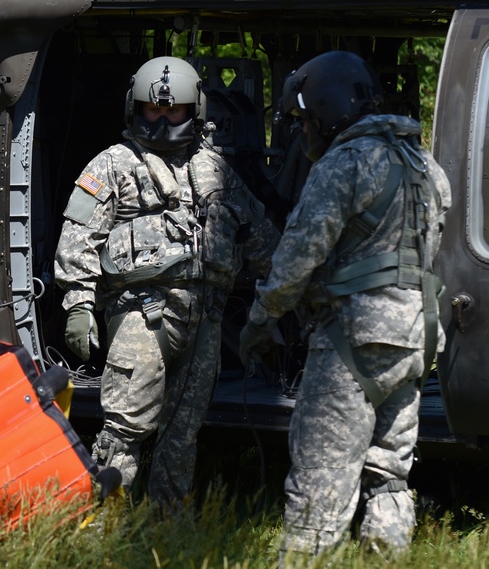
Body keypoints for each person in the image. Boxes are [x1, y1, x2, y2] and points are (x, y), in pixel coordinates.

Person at [239, 50, 451, 561]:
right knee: (390, 475)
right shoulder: (426, 167)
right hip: (415, 342)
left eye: (306, 121)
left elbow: (297, 257)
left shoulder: (345, 164)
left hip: (352, 343)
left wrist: (261, 319)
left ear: (328, 112)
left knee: (318, 482)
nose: (304, 132)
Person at [55, 56, 278, 507]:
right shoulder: (114, 165)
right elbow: (78, 237)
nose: (161, 118)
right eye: (151, 110)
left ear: (193, 109)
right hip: (142, 314)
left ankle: (169, 531)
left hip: (206, 318)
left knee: (182, 433)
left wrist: (285, 294)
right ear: (134, 108)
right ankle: (101, 528)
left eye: (172, 110)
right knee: (124, 430)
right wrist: (79, 304)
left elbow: (259, 235)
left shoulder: (213, 168)